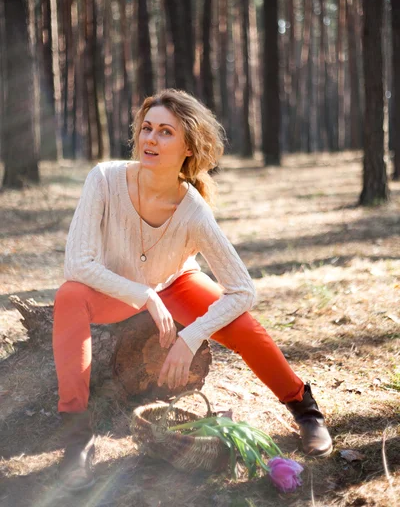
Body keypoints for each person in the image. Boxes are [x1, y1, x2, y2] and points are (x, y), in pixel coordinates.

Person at [53, 88, 332, 492]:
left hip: (175, 283)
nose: (151, 139)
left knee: (242, 325)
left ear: (189, 147)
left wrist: (192, 336)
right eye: (147, 128)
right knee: (69, 296)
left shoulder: (194, 211)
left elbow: (243, 289)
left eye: (166, 132)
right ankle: (76, 440)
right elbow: (76, 266)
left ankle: (305, 409)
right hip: (116, 288)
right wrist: (143, 295)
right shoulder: (104, 179)